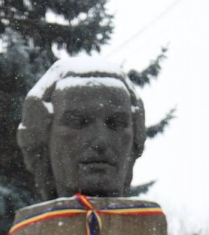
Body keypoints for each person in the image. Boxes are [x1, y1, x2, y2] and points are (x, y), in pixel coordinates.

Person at [17, 57, 146, 200]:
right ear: (42, 139)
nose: (101, 141)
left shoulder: (151, 215)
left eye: (116, 123)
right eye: (78, 122)